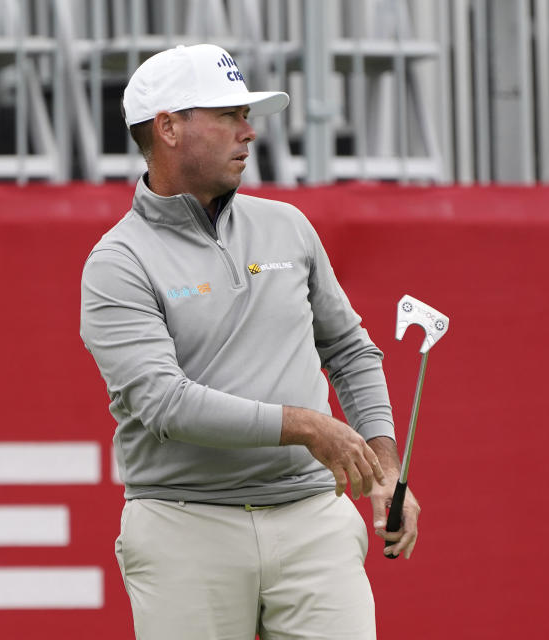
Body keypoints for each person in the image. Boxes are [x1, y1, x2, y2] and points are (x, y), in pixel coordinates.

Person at [80, 43, 420, 639]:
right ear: (168, 128)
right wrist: (307, 424)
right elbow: (163, 403)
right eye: (230, 116)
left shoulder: (287, 225)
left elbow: (348, 349)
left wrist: (386, 465)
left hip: (312, 516)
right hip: (185, 526)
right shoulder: (117, 262)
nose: (250, 132)